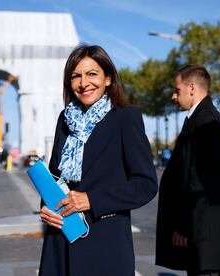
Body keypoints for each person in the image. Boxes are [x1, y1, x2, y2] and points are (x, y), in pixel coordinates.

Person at [39, 44, 158, 276]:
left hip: (105, 245)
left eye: (92, 74)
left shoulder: (125, 118)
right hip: (60, 240)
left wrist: (92, 200)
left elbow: (146, 185)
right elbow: (55, 176)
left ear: (108, 79)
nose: (84, 83)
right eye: (76, 76)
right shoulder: (64, 119)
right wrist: (45, 206)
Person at [155, 65, 220, 275]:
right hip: (200, 235)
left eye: (177, 90)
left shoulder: (206, 122)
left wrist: (185, 227)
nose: (174, 96)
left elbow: (205, 182)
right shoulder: (199, 119)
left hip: (202, 237)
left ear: (192, 87)